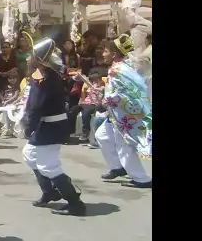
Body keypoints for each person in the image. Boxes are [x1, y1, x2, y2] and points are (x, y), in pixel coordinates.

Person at [21, 33, 86, 215]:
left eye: (32, 56)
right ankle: (49, 192)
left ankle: (75, 203)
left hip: (51, 127)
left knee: (48, 166)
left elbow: (36, 106)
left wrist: (28, 127)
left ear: (40, 60)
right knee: (29, 155)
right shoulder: (46, 74)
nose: (28, 59)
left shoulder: (44, 77)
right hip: (48, 125)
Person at [95, 36, 152, 189]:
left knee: (124, 146)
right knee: (102, 135)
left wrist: (104, 101)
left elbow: (120, 95)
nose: (103, 54)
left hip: (122, 115)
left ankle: (141, 178)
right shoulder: (121, 68)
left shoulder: (118, 69)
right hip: (116, 114)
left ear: (114, 54)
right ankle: (117, 167)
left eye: (106, 51)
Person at [77, 69, 105, 144]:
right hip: (86, 103)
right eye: (93, 80)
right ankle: (68, 131)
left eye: (95, 79)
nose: (94, 81)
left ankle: (85, 132)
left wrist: (95, 89)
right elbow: (84, 91)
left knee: (86, 113)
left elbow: (102, 90)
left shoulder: (102, 85)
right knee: (73, 110)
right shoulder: (91, 84)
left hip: (94, 104)